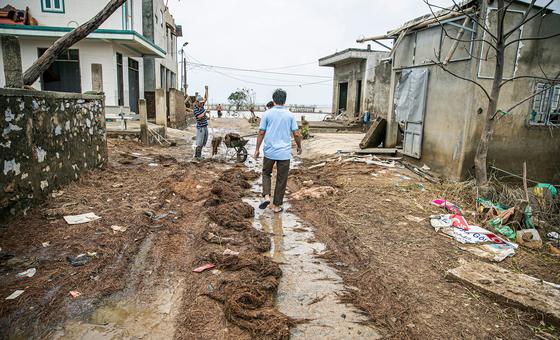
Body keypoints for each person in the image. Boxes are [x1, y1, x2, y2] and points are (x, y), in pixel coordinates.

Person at [254, 89, 302, 213]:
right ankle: (276, 206)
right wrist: (299, 146)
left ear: (274, 99)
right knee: (282, 178)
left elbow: (261, 132)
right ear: (284, 100)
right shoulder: (290, 115)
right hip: (284, 153)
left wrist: (257, 149)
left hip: (269, 151)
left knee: (266, 173)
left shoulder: (267, 114)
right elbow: (296, 133)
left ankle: (266, 196)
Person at [193, 85, 209, 160]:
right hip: (200, 128)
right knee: (199, 142)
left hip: (205, 126)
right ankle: (197, 156)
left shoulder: (202, 106)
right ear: (197, 102)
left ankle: (198, 155)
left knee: (203, 142)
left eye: (202, 103)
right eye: (201, 103)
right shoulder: (195, 109)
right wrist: (205, 112)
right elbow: (199, 116)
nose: (202, 104)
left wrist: (206, 90)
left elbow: (206, 97)